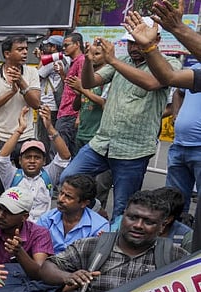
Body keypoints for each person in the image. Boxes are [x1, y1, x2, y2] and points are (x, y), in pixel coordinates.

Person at [58, 20, 179, 220]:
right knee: (68, 179)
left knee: (123, 208)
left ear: (156, 40)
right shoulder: (122, 61)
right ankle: (97, 215)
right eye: (130, 43)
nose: (133, 48)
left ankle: (113, 246)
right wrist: (88, 61)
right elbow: (89, 82)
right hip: (102, 143)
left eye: (138, 43)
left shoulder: (169, 65)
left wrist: (113, 60)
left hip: (133, 150)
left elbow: (150, 83)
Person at [39, 191, 187, 292]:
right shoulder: (91, 246)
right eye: (133, 218)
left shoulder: (175, 257)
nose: (138, 226)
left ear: (162, 226)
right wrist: (68, 276)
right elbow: (47, 268)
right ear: (123, 216)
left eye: (148, 222)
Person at [124, 8, 201, 216]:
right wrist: (148, 48)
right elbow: (170, 78)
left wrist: (177, 28)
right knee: (173, 207)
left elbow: (153, 82)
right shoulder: (197, 72)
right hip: (180, 146)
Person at [0, 35, 42, 199]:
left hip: (25, 137)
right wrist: (10, 93)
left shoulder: (32, 72)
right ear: (7, 54)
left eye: (25, 49)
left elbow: (36, 103)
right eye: (20, 49)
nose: (24, 53)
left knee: (26, 186)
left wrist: (21, 83)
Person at [0, 107, 71, 221]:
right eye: (28, 157)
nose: (32, 160)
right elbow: (2, 158)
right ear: (20, 160)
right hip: (17, 229)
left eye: (37, 157)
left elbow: (65, 156)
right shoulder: (11, 176)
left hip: (42, 231)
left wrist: (50, 128)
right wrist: (20, 129)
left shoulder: (49, 175)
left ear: (44, 161)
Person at [0, 186, 54, 279]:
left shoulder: (39, 234)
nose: (0, 215)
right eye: (0, 208)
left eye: (8, 212)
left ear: (24, 217)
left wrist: (19, 252)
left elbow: (40, 274)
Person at [36, 174, 110, 254]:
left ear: (84, 203)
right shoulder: (46, 219)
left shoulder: (98, 226)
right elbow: (36, 250)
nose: (61, 199)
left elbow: (96, 258)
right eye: (61, 193)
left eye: (68, 197)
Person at [54, 33, 86, 157]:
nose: (64, 48)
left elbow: (84, 89)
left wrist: (79, 115)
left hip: (71, 113)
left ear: (77, 44)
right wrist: (63, 75)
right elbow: (72, 88)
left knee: (61, 153)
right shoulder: (75, 62)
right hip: (66, 112)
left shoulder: (82, 61)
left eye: (66, 45)